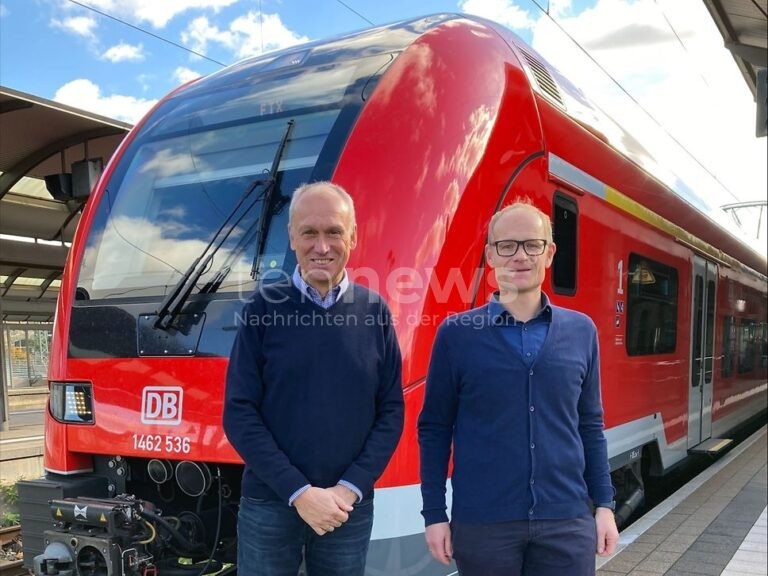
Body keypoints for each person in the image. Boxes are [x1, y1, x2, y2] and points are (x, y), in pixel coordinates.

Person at [418, 199, 618, 575]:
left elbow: (590, 425)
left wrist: (604, 505)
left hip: (567, 520)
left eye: (532, 244)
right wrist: (433, 514)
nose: (519, 256)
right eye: (506, 246)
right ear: (491, 255)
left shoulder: (582, 331)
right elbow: (434, 429)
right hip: (483, 524)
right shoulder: (456, 335)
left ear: (550, 253)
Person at [224, 181, 404, 576]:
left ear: (352, 237)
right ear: (293, 238)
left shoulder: (375, 312)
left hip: (347, 510)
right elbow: (239, 412)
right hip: (271, 505)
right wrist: (299, 493)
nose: (322, 246)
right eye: (309, 232)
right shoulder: (262, 309)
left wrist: (349, 488)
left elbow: (391, 411)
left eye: (334, 232)